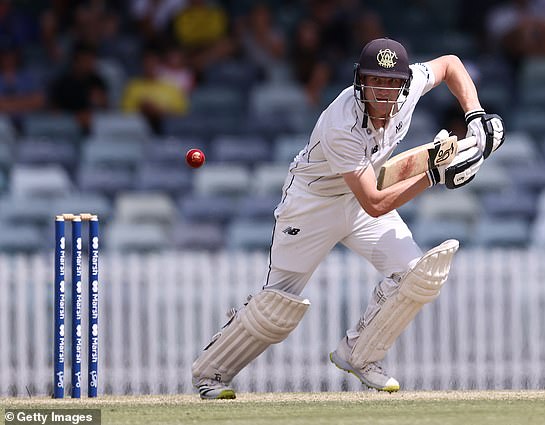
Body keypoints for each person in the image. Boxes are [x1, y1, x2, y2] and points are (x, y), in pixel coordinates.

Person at [191, 37, 505, 399]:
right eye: (375, 81)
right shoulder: (341, 124)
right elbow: (374, 202)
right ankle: (210, 374)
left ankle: (360, 354)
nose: (383, 91)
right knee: (276, 306)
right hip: (312, 203)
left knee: (417, 275)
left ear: (403, 83)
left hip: (360, 195)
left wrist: (474, 117)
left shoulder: (411, 86)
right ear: (360, 81)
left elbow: (450, 63)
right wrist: (433, 176)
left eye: (391, 82)